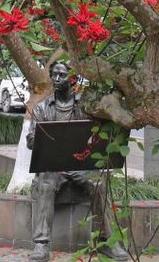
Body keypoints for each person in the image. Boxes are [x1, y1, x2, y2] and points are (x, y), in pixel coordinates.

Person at [25, 61, 128, 262]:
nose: (56, 79)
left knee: (98, 183)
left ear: (73, 79)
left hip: (82, 165)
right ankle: (41, 244)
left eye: (61, 75)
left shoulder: (87, 107)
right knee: (45, 183)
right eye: (53, 75)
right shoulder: (42, 108)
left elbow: (102, 133)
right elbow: (30, 141)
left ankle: (105, 241)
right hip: (53, 167)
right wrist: (42, 138)